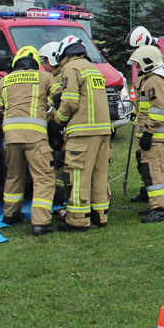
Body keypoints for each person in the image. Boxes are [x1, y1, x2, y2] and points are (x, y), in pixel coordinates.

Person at [0, 46, 61, 236]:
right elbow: (60, 96)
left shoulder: (5, 80)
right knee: (43, 178)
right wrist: (53, 118)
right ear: (35, 63)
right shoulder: (44, 77)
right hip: (35, 136)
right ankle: (40, 223)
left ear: (16, 63)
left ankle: (10, 214)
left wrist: (8, 121)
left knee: (14, 176)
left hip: (11, 137)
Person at [53, 35, 112, 231]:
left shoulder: (71, 68)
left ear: (65, 53)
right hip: (103, 131)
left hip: (83, 131)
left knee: (79, 176)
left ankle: (78, 220)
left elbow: (70, 101)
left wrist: (58, 120)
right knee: (99, 174)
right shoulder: (94, 70)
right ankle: (99, 215)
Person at [125, 25, 164, 204]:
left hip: (156, 121)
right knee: (146, 159)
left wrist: (152, 124)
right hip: (149, 119)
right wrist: (136, 111)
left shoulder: (154, 63)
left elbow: (160, 98)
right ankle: (151, 190)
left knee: (153, 161)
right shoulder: (147, 64)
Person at [39, 41, 70, 206]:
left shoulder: (59, 79)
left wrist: (53, 122)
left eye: (45, 61)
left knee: (61, 164)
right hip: (59, 128)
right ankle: (61, 196)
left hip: (63, 129)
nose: (43, 66)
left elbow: (55, 104)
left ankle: (62, 196)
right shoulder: (56, 76)